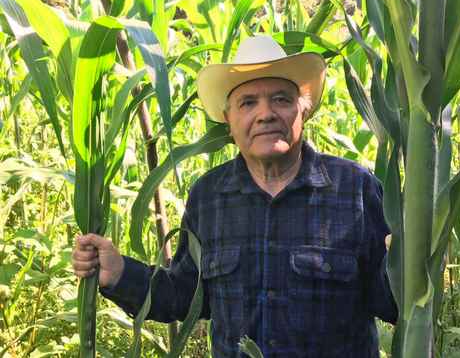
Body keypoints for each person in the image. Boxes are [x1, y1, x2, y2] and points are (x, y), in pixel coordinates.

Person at [72, 35, 397, 357]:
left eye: (281, 99)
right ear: (229, 121)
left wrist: (404, 264)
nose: (266, 113)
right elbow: (184, 295)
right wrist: (119, 273)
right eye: (248, 102)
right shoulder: (209, 197)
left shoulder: (355, 189)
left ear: (303, 111)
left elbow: (391, 304)